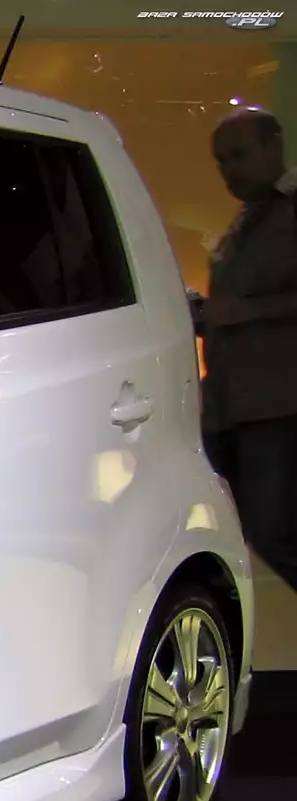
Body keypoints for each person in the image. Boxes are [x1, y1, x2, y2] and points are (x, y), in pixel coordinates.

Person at [204, 108, 297, 585]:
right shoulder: (247, 219)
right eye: (222, 161)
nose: (230, 171)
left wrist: (248, 311)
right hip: (231, 407)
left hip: (277, 407)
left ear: (274, 145)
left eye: (239, 155)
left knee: (272, 533)